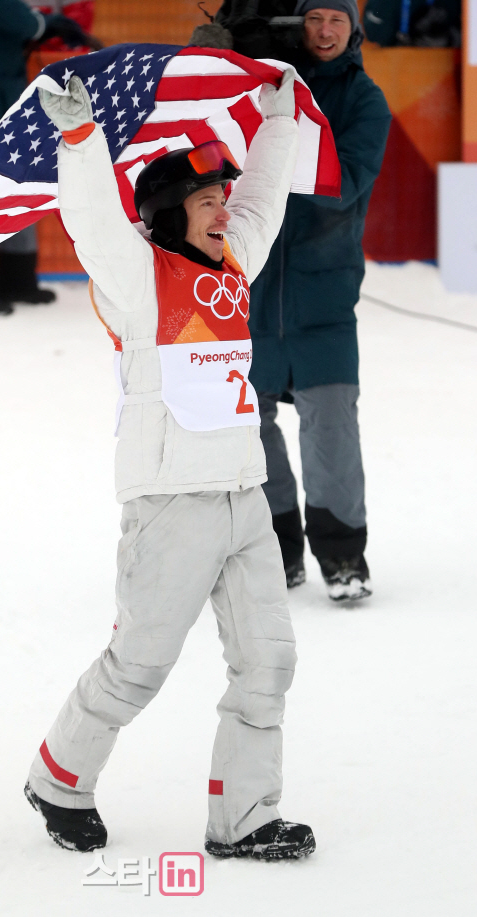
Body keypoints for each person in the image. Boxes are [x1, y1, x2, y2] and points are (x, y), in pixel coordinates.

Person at [22, 70, 316, 861]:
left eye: (220, 198)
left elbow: (265, 199)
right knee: (140, 665)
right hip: (169, 501)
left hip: (243, 496)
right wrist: (82, 139)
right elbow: (89, 221)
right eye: (206, 200)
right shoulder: (140, 281)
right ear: (166, 215)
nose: (224, 209)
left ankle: (244, 817)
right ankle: (59, 777)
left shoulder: (232, 267)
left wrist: (280, 117)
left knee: (269, 660)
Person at [247, 0, 391, 601]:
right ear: (298, 27)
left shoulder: (365, 101)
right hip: (253, 288)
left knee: (329, 424)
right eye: (315, 19)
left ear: (353, 29)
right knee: (249, 424)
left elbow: (347, 182)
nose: (326, 31)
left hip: (324, 292)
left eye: (337, 19)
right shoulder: (262, 83)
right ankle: (278, 550)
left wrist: (278, 148)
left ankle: (342, 557)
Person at [0, 0, 93, 315]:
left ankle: (17, 278)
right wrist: (48, 24)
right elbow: (20, 21)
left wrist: (42, 24)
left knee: (19, 185)